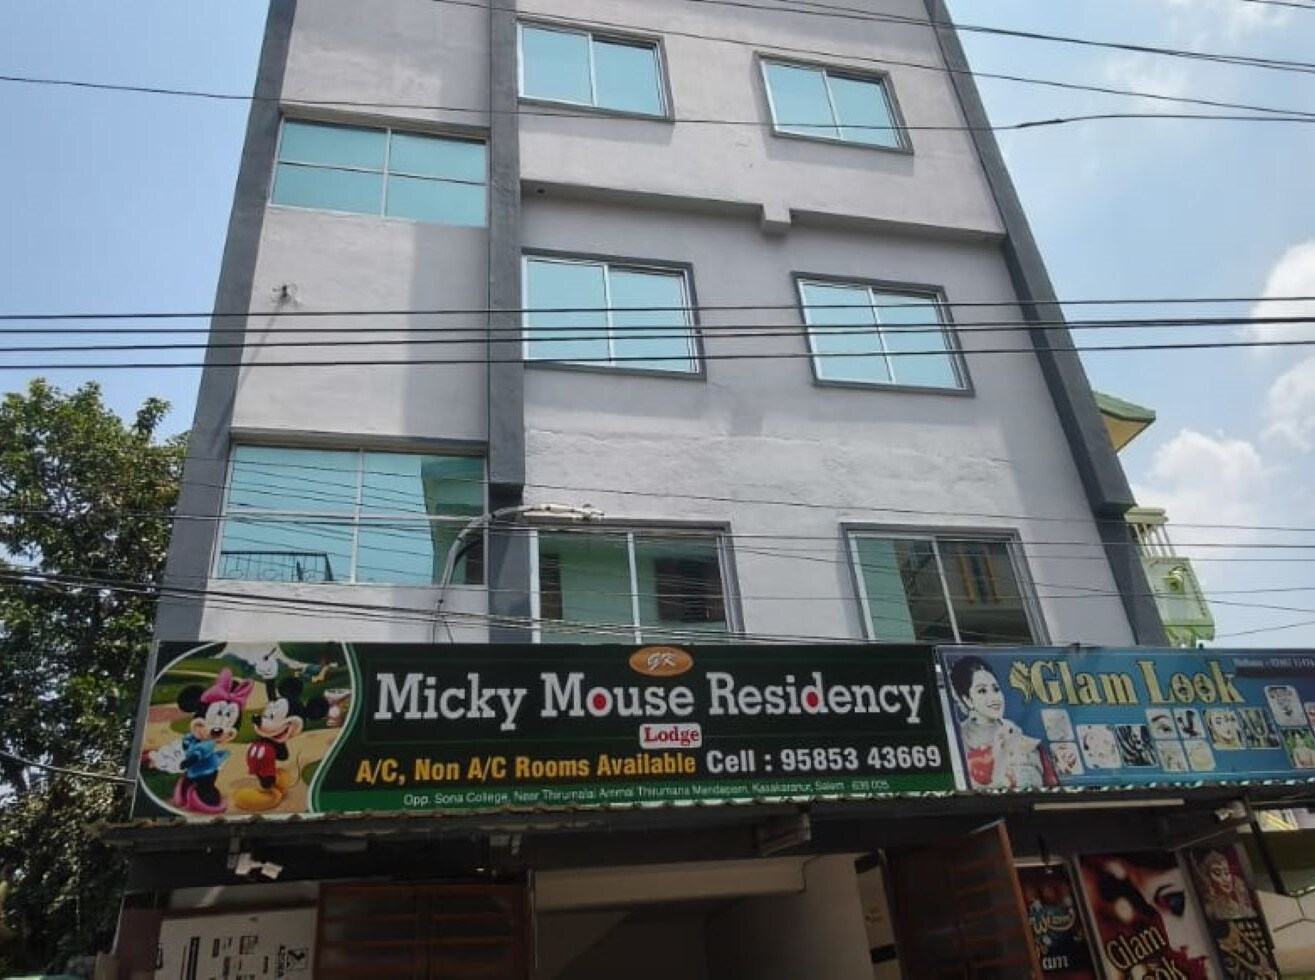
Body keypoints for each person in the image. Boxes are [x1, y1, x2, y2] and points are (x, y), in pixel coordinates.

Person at [949, 655, 1056, 790]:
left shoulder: (1012, 729)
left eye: (996, 689)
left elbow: (1041, 778)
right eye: (982, 691)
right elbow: (973, 786)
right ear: (968, 700)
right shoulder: (961, 737)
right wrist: (1000, 755)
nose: (993, 697)